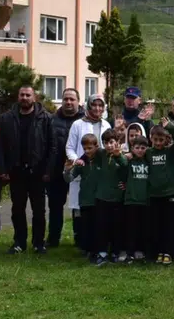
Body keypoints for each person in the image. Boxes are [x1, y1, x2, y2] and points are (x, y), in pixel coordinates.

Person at [0, 85, 56, 254]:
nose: (24, 98)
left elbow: (52, 147)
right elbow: (0, 146)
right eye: (22, 95)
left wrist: (48, 171)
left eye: (28, 95)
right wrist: (3, 169)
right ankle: (19, 242)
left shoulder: (46, 118)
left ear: (34, 97)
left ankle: (38, 243)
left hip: (38, 172)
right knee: (17, 209)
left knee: (39, 211)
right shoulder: (7, 118)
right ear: (18, 97)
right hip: (16, 171)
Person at [65, 94, 111, 251]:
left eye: (100, 105)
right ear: (88, 106)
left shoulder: (106, 124)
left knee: (98, 208)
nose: (97, 108)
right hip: (82, 170)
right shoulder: (78, 124)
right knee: (80, 207)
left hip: (99, 172)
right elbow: (70, 147)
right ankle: (80, 240)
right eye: (94, 105)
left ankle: (97, 241)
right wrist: (77, 160)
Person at [47, 88, 84, 248]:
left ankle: (79, 237)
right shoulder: (52, 120)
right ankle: (53, 238)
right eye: (66, 99)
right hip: (57, 169)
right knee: (55, 205)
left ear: (78, 101)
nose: (68, 102)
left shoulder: (85, 120)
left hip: (79, 170)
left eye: (72, 99)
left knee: (78, 205)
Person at [146, 121, 174, 265]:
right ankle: (159, 252)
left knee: (169, 225)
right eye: (155, 139)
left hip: (170, 194)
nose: (158, 143)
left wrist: (169, 126)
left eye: (161, 140)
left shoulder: (171, 152)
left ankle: (168, 252)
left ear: (166, 139)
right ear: (151, 138)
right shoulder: (148, 153)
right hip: (154, 195)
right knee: (156, 225)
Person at [91, 129, 128, 266]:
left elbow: (125, 168)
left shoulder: (123, 157)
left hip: (117, 198)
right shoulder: (101, 154)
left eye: (111, 142)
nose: (109, 145)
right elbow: (89, 153)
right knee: (102, 226)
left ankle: (115, 252)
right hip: (102, 197)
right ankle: (102, 252)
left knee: (116, 227)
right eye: (105, 143)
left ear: (118, 142)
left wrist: (118, 156)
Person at [123, 135, 151, 264]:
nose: (140, 150)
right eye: (137, 147)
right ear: (132, 148)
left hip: (145, 200)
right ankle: (130, 253)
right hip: (131, 200)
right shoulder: (129, 161)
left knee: (144, 228)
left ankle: (143, 251)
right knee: (131, 228)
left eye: (143, 148)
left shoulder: (149, 161)